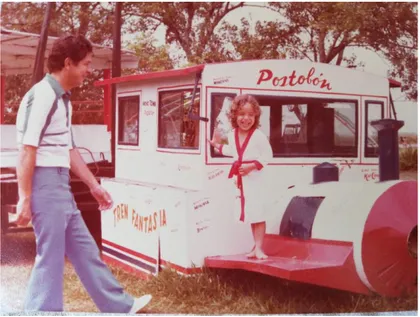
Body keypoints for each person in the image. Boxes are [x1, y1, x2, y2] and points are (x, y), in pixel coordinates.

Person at [15, 35, 151, 313]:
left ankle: (118, 306)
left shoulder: (63, 99)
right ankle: (41, 312)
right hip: (44, 182)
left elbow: (69, 150)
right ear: (68, 63)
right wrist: (24, 197)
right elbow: (27, 150)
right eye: (86, 64)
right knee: (50, 256)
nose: (88, 70)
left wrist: (94, 186)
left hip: (59, 184)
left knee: (85, 249)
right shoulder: (42, 95)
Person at [208, 94, 273, 260]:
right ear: (234, 116)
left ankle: (259, 248)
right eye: (242, 114)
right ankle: (255, 247)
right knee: (251, 213)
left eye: (251, 115)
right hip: (242, 182)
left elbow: (268, 155)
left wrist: (252, 166)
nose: (246, 118)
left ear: (256, 117)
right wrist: (217, 146)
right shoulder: (232, 135)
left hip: (256, 180)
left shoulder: (258, 136)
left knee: (258, 213)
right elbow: (232, 151)